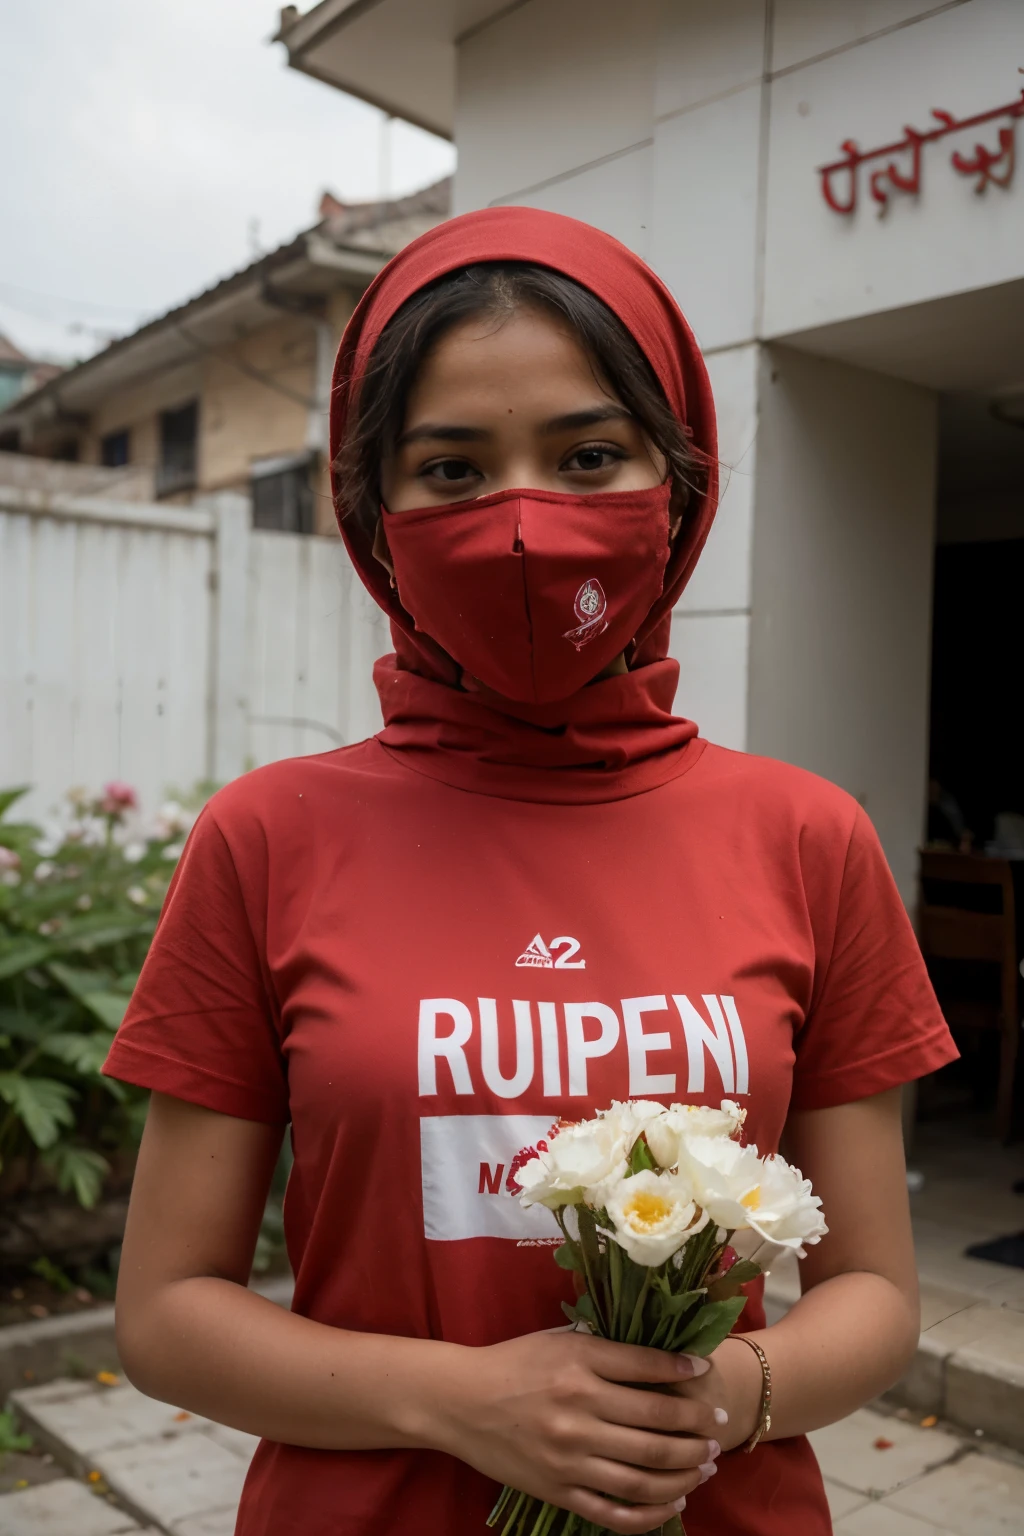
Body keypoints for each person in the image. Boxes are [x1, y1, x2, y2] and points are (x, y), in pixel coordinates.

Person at [104, 208, 958, 1536]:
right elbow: (164, 1313)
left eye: (590, 456)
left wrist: (720, 1393)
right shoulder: (269, 838)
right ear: (370, 514)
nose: (522, 527)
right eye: (451, 469)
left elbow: (878, 1295)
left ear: (679, 489)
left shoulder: (808, 837)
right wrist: (458, 1400)